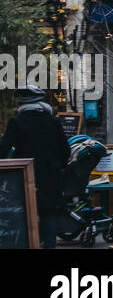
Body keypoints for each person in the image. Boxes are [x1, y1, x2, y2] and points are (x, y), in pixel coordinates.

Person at [0, 86, 71, 248]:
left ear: (21, 104)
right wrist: (58, 166)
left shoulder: (17, 121)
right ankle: (50, 245)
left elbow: (4, 148)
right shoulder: (53, 121)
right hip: (50, 174)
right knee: (49, 212)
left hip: (25, 175)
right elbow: (65, 149)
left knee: (23, 210)